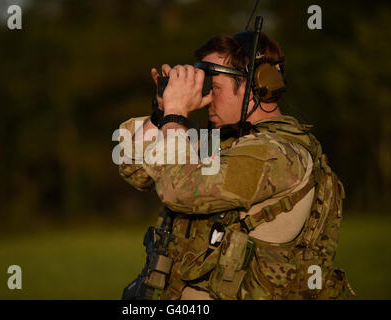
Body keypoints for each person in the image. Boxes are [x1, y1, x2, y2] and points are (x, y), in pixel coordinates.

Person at [118, 32, 354, 300]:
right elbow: (135, 169)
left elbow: (179, 190)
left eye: (214, 87)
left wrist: (177, 114)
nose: (206, 96)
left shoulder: (279, 155)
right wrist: (162, 112)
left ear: (254, 85)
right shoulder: (224, 143)